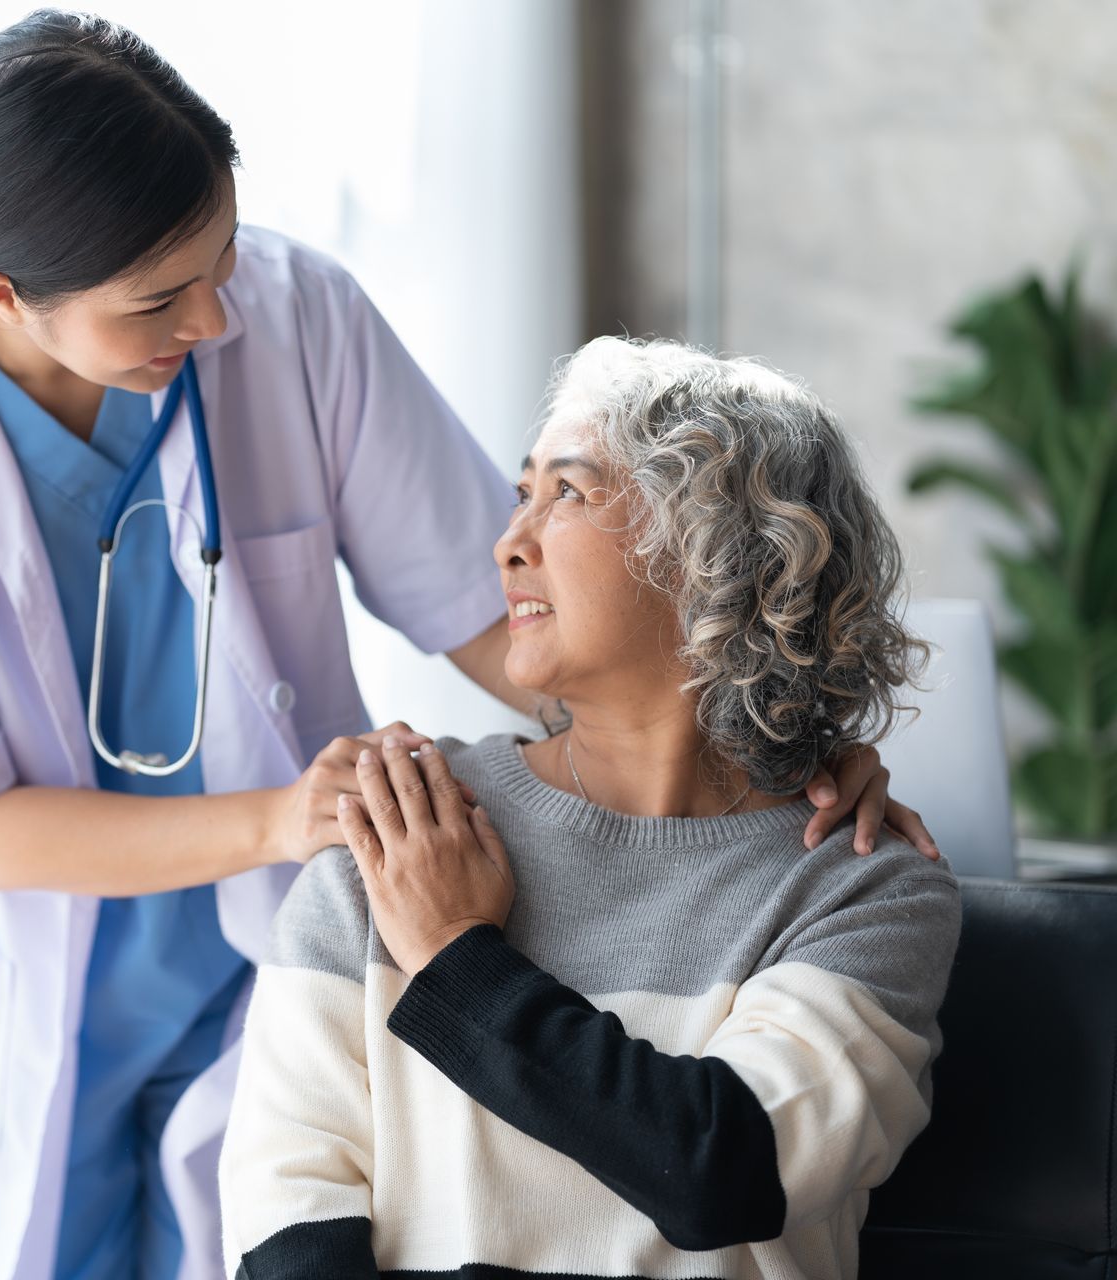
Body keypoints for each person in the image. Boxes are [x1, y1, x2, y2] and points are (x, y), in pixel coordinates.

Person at [0, 13, 933, 1279]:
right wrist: (287, 822)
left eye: (219, 258)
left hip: (273, 958)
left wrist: (769, 741)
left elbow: (504, 612)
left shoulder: (293, 316)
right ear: (0, 294)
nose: (215, 318)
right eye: (160, 298)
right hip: (24, 1004)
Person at [219, 337, 960, 1279]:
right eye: (523, 493)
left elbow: (724, 1169)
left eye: (566, 492)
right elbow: (285, 1224)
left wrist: (454, 958)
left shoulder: (863, 888)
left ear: (721, 552)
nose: (508, 542)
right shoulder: (407, 824)